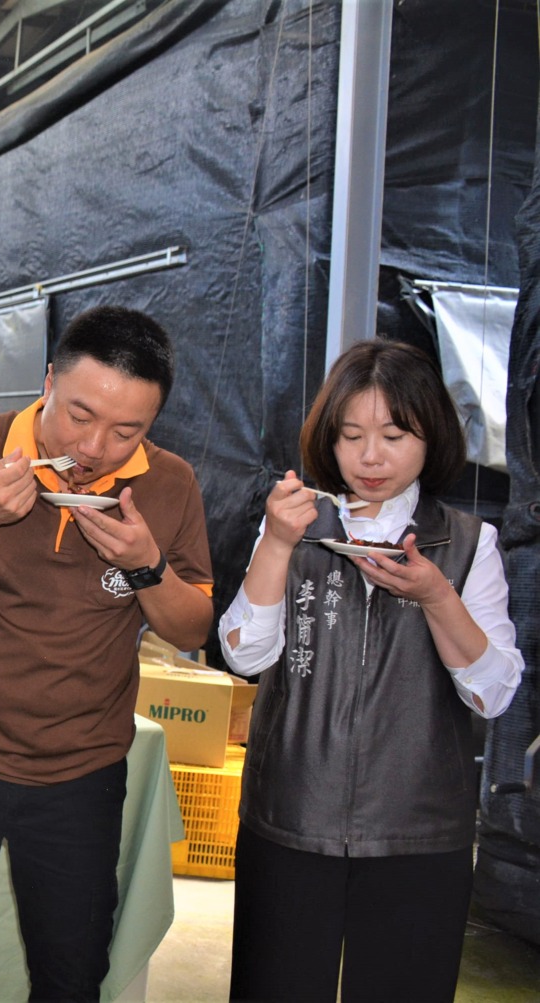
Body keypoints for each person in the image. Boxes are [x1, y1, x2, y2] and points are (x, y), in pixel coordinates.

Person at [0, 306, 215, 1002]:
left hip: (81, 771)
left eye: (127, 431)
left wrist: (147, 564)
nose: (94, 446)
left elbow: (192, 626)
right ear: (49, 381)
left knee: (71, 977)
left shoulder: (170, 483)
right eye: (79, 415)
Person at [219, 339, 522, 1003]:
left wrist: (437, 596)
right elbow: (245, 655)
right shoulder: (296, 524)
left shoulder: (469, 543)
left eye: (394, 435)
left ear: (430, 436)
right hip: (291, 815)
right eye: (351, 436)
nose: (370, 457)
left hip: (419, 829)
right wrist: (277, 542)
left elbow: (494, 692)